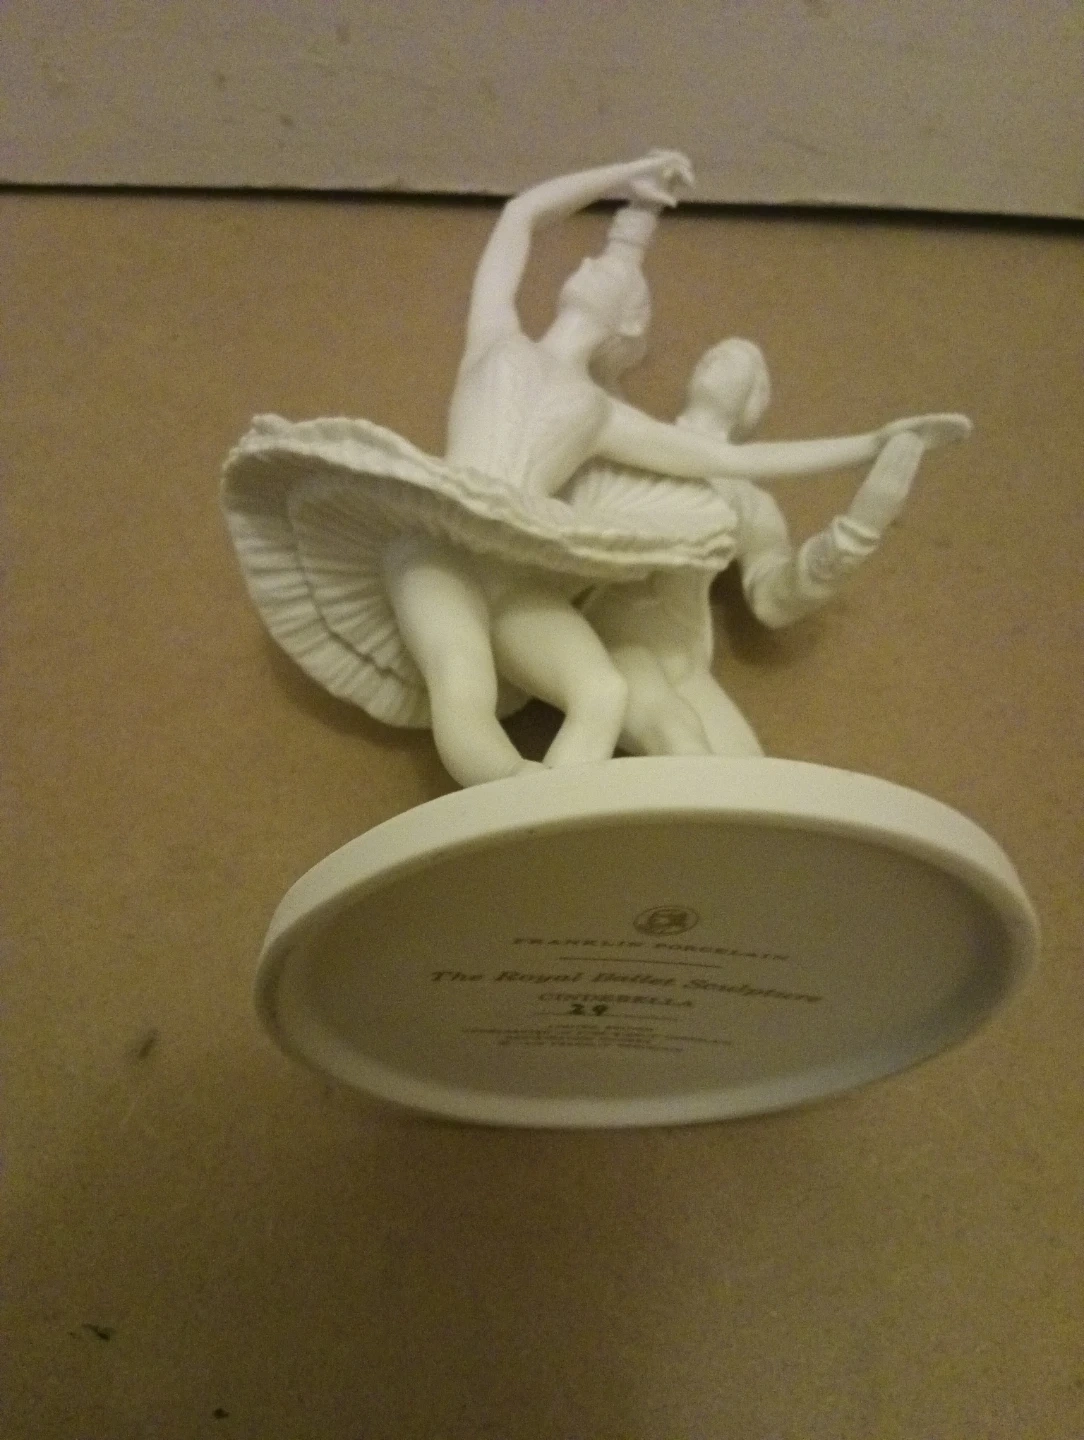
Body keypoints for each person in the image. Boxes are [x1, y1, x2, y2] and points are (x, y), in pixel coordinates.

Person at [221, 152, 969, 787]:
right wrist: (630, 180)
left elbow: (733, 459)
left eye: (613, 272)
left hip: (515, 566)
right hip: (432, 538)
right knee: (462, 682)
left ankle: (550, 811)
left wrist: (873, 443)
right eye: (593, 259)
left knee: (602, 692)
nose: (590, 266)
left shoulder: (604, 416)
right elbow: (519, 218)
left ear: (629, 321)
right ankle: (518, 807)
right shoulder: (496, 339)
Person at [570, 338, 930, 758]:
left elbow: (773, 599)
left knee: (747, 769)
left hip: (677, 652)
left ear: (754, 400)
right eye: (714, 354)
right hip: (607, 633)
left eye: (740, 361)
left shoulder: (751, 501)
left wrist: (856, 532)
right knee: (677, 736)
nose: (720, 358)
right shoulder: (630, 439)